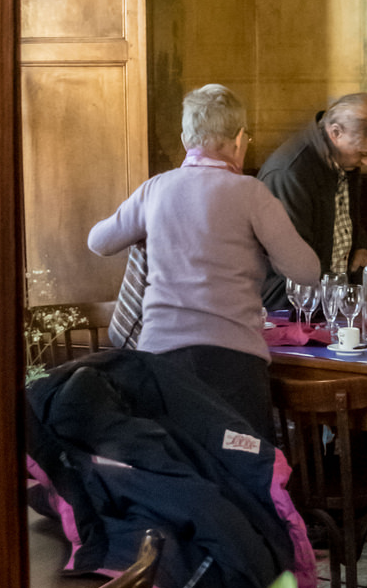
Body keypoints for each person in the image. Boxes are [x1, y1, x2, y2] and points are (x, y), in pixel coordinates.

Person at [86, 83, 320, 439]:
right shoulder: (251, 194)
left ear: (185, 140)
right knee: (242, 465)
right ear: (239, 139)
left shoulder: (156, 189)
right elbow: (306, 271)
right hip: (232, 363)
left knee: (175, 466)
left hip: (160, 359)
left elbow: (99, 242)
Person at [256, 93, 367, 312]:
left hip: (330, 299)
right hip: (291, 307)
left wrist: (359, 244)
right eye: (364, 153)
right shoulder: (290, 172)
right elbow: (293, 262)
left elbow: (347, 217)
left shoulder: (344, 158)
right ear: (336, 132)